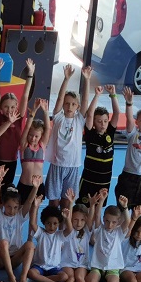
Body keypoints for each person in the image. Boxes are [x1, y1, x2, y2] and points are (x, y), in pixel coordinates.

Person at [46, 64, 91, 207]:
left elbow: (85, 101)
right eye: (67, 104)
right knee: (53, 201)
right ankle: (53, 220)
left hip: (72, 166)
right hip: (57, 164)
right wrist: (66, 79)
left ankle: (65, 221)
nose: (69, 106)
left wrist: (87, 80)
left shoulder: (79, 119)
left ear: (77, 106)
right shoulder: (58, 117)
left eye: (73, 104)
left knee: (67, 202)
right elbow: (59, 98)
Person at [78, 81, 120, 205]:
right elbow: (89, 114)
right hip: (89, 180)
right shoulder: (90, 135)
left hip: (104, 181)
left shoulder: (110, 133)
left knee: (99, 208)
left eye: (105, 121)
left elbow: (117, 113)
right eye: (99, 121)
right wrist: (97, 95)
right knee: (84, 207)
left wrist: (113, 95)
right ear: (94, 122)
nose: (103, 124)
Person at [0, 58, 29, 193]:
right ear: (1, 108)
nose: (9, 110)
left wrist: (30, 74)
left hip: (12, 162)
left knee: (7, 192)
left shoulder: (18, 119)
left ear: (16, 107)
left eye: (13, 107)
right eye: (6, 107)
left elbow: (25, 96)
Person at [85, 190, 128, 282]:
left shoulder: (119, 232)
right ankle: (96, 275)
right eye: (107, 221)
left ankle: (112, 276)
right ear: (103, 219)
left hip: (113, 266)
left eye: (114, 222)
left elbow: (127, 221)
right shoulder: (99, 229)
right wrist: (102, 200)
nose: (110, 225)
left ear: (118, 222)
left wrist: (125, 207)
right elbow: (97, 215)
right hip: (98, 264)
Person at [26, 203, 70, 282]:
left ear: (59, 223)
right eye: (48, 223)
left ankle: (37, 279)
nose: (52, 226)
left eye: (55, 223)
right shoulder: (41, 233)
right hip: (39, 266)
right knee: (31, 273)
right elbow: (32, 223)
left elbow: (69, 229)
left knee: (64, 277)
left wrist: (67, 218)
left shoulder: (59, 235)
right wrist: (35, 207)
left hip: (54, 268)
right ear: (43, 222)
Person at [17, 99, 51, 206]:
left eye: (36, 136)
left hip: (38, 186)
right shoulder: (24, 145)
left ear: (41, 136)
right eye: (31, 135)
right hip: (24, 185)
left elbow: (48, 128)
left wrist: (45, 112)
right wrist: (34, 111)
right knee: (21, 212)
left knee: (34, 212)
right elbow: (27, 127)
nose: (33, 138)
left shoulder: (42, 145)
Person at [58, 197, 92, 282]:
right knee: (71, 277)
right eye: (75, 220)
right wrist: (71, 203)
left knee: (79, 277)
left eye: (82, 220)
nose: (79, 223)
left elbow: (91, 217)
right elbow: (68, 218)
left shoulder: (87, 231)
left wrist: (92, 205)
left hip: (82, 263)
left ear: (86, 220)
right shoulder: (68, 230)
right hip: (67, 262)